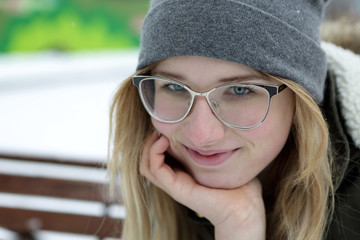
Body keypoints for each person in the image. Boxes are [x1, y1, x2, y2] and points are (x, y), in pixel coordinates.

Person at [107, 0, 360, 239]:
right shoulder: (164, 176)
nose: (201, 135)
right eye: (175, 88)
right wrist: (237, 225)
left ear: (300, 99)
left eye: (240, 90)